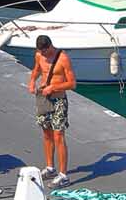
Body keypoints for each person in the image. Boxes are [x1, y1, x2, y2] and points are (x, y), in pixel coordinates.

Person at [29, 33, 76, 182]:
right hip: (44, 99)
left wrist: (54, 87)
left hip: (58, 101)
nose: (42, 54)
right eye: (40, 51)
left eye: (44, 51)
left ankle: (63, 174)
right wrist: (32, 82)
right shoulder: (39, 55)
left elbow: (72, 83)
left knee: (58, 136)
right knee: (47, 134)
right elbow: (37, 70)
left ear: (50, 46)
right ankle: (50, 167)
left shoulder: (63, 58)